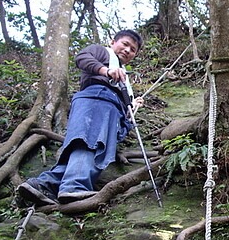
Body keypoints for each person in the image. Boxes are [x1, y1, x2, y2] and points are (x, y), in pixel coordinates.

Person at [18, 29, 144, 205]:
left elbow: (123, 99)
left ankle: (45, 185)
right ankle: (75, 186)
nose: (128, 50)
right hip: (97, 98)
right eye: (125, 44)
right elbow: (82, 58)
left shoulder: (122, 73)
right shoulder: (102, 52)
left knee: (86, 143)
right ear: (112, 42)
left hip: (109, 106)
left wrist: (133, 103)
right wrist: (105, 70)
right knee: (90, 141)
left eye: (133, 49)